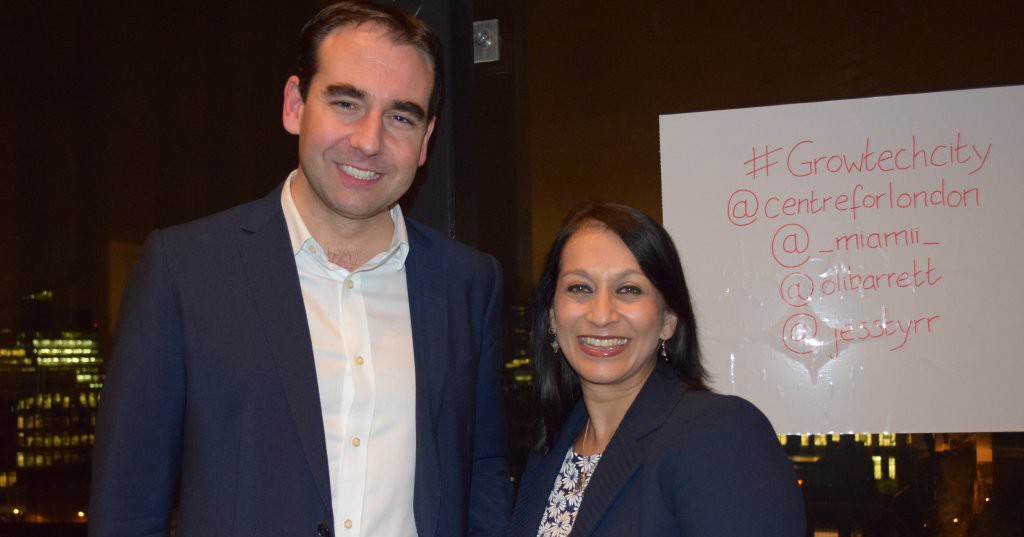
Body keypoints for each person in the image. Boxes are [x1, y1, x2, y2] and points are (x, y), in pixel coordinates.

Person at [89, 2, 511, 536]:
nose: (369, 141)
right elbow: (127, 507)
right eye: (347, 103)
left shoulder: (466, 284)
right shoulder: (186, 271)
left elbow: (482, 470)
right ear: (295, 105)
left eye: (401, 117)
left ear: (426, 140)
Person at [507, 204, 805, 536]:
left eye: (629, 290)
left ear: (668, 319)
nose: (601, 315)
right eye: (579, 288)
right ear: (552, 315)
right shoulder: (549, 450)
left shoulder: (719, 435)